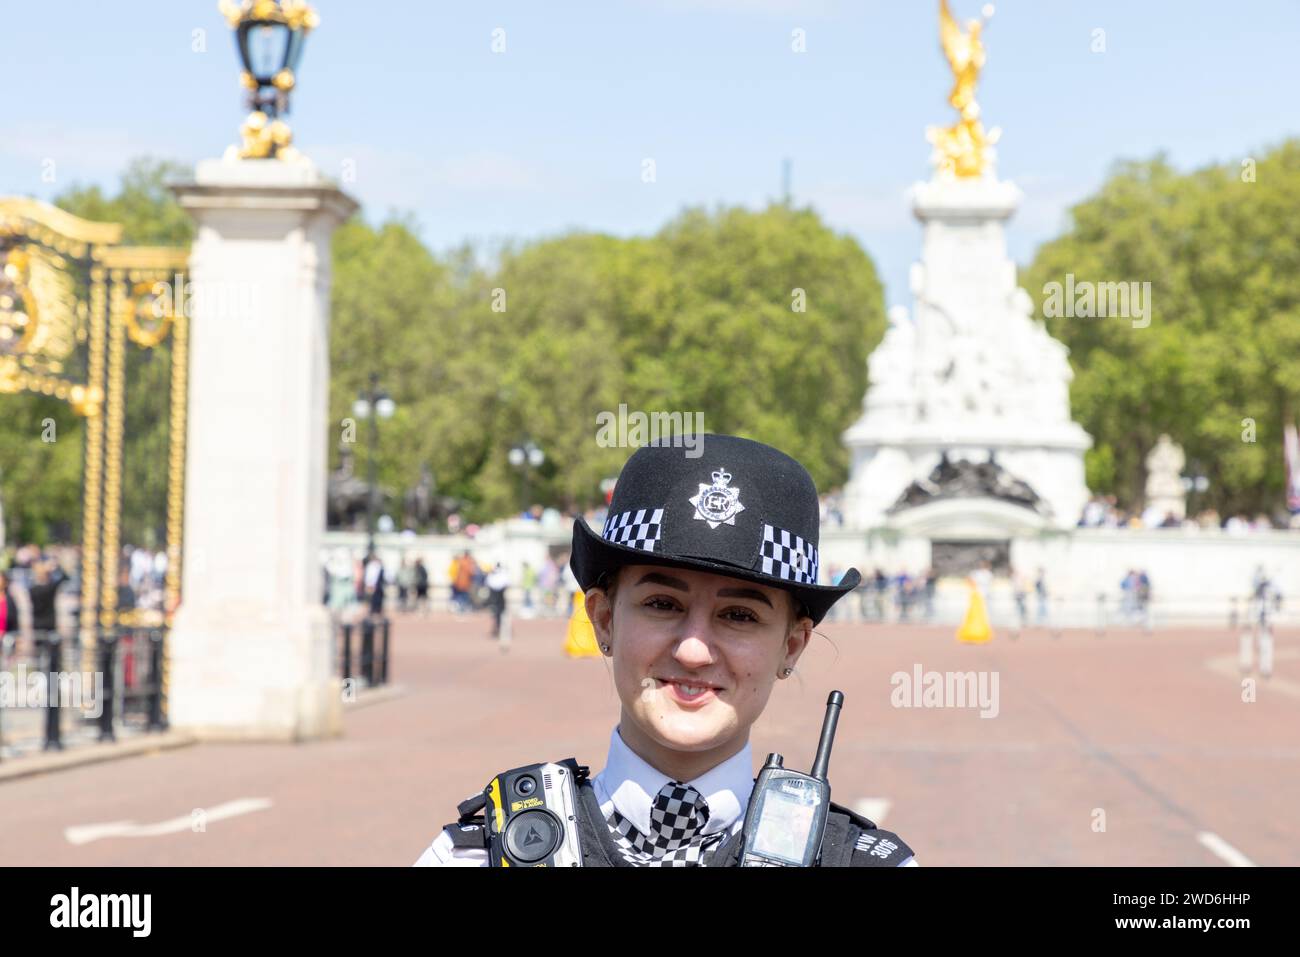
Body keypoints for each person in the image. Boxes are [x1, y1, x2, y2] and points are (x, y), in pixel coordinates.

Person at [414, 434, 917, 867]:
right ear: (604, 619)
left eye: (739, 615)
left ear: (791, 645)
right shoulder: (475, 856)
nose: (695, 650)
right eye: (662, 603)